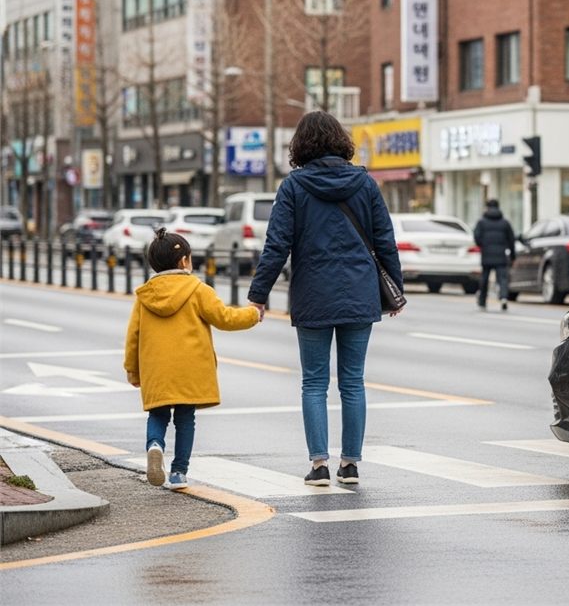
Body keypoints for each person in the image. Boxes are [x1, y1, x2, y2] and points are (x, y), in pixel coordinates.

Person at [247, 111, 404, 487]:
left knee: (314, 382)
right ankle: (349, 465)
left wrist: (258, 295)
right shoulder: (365, 184)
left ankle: (319, 464)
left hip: (313, 293)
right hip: (359, 292)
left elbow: (277, 245)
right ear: (340, 141)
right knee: (353, 381)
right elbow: (385, 240)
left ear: (300, 146)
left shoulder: (293, 187)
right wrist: (395, 290)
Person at [125, 229, 261, 490]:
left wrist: (133, 370)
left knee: (158, 414)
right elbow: (225, 318)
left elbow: (133, 336)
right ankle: (179, 473)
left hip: (157, 370)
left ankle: (155, 445)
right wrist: (253, 314)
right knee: (185, 419)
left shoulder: (145, 296)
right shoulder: (198, 289)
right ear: (184, 261)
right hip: (191, 369)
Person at [473, 198, 516, 312]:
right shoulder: (505, 223)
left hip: (486, 254)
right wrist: (512, 256)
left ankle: (482, 301)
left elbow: (476, 237)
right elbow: (511, 240)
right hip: (501, 255)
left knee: (484, 278)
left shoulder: (481, 222)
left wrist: (483, 245)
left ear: (487, 207)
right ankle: (503, 297)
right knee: (502, 278)